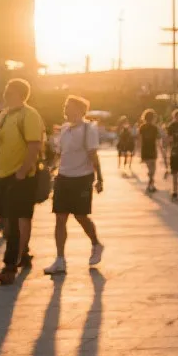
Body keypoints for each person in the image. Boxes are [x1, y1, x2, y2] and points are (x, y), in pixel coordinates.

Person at [0, 78, 46, 286]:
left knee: (14, 220)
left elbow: (34, 145)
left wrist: (22, 171)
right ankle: (23, 254)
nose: (5, 93)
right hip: (2, 174)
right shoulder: (2, 116)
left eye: (8, 90)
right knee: (3, 218)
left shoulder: (29, 115)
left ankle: (10, 266)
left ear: (20, 93)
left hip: (21, 176)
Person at [45, 96, 105, 275]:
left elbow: (93, 155)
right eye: (65, 106)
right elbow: (60, 153)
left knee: (81, 216)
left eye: (68, 106)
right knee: (60, 217)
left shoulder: (88, 129)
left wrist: (99, 178)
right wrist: (51, 168)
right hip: (63, 178)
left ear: (79, 110)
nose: (65, 109)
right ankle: (60, 260)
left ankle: (96, 244)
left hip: (82, 178)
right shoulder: (64, 129)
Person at [138, 110, 161, 194]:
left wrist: (139, 151)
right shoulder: (155, 128)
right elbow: (158, 140)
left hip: (145, 149)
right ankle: (151, 182)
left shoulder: (142, 127)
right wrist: (161, 149)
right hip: (152, 149)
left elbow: (139, 140)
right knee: (153, 168)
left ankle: (150, 183)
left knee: (150, 168)